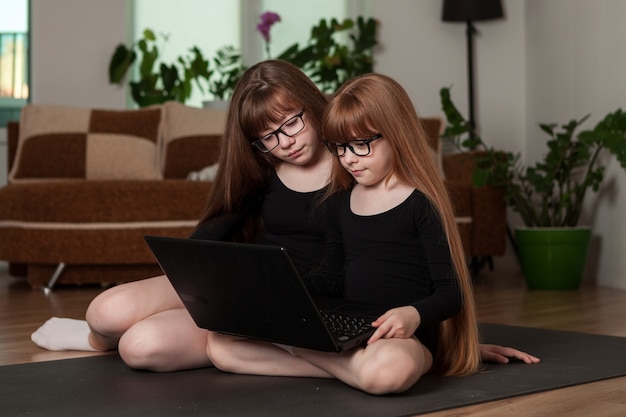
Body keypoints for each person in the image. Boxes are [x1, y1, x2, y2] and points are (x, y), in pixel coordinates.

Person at [31, 60, 538, 373]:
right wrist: (190, 272)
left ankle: (228, 340)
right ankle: (95, 339)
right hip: (248, 280)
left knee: (142, 349)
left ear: (313, 106)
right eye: (268, 136)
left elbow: (401, 263)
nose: (286, 141)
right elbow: (223, 219)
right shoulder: (264, 168)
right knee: (105, 313)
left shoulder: (354, 164)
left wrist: (450, 338)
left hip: (311, 303)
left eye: (292, 123)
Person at [203, 71, 538, 394]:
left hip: (402, 336)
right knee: (221, 347)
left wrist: (414, 314)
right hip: (348, 326)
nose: (349, 159)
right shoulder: (339, 204)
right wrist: (282, 286)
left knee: (388, 372)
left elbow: (452, 292)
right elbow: (333, 279)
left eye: (360, 145)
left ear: (396, 134)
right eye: (340, 148)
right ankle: (342, 367)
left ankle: (315, 356)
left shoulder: (421, 206)